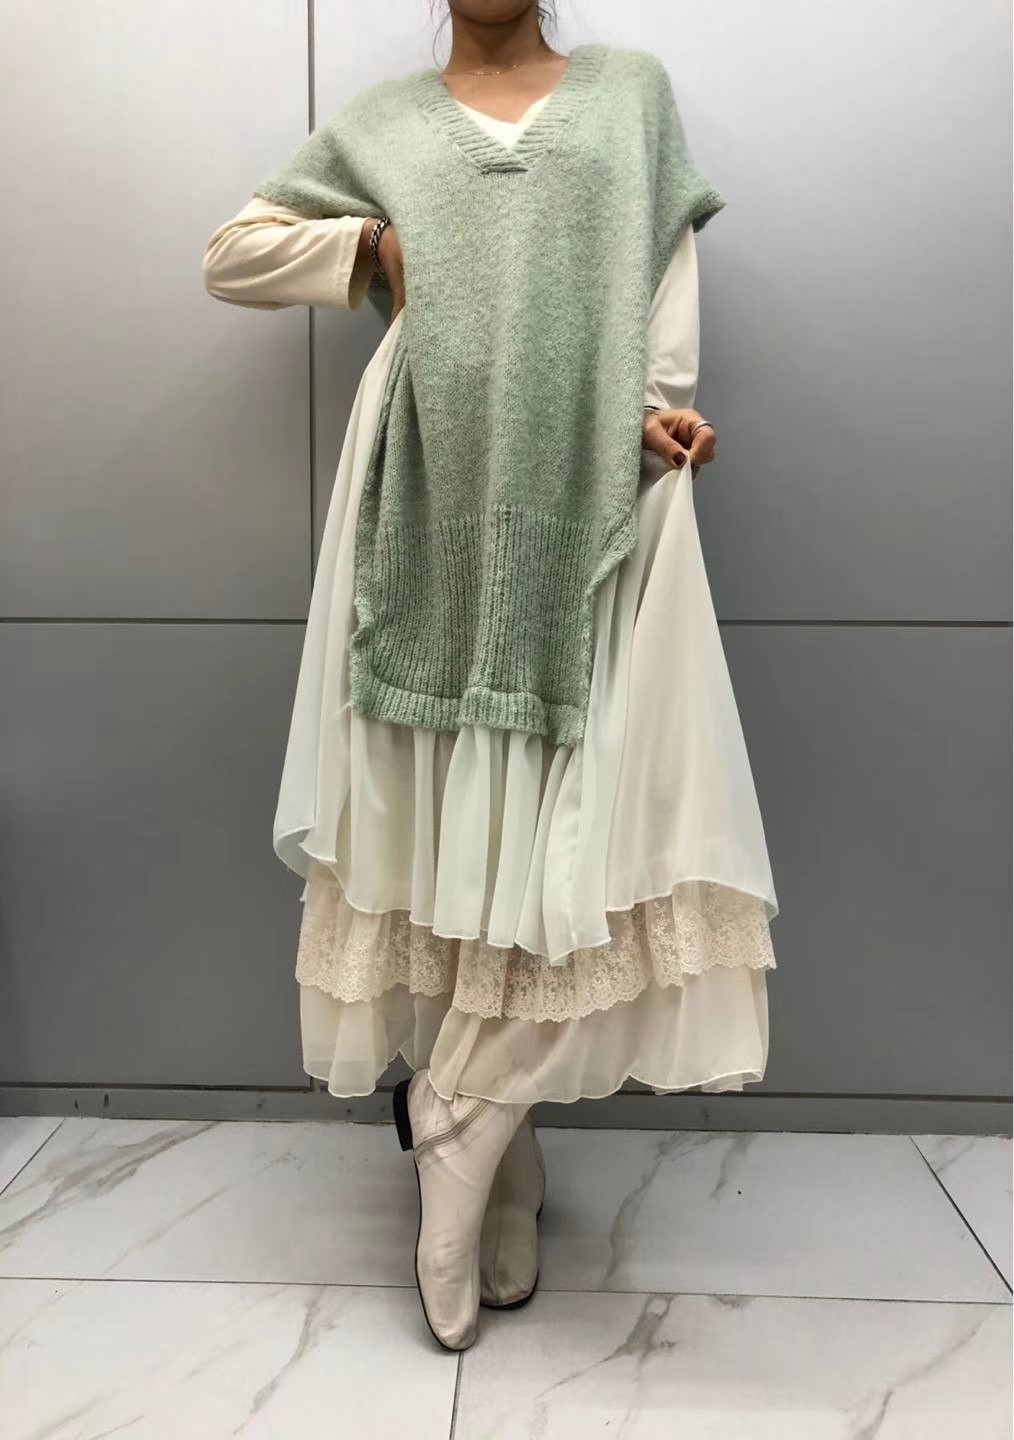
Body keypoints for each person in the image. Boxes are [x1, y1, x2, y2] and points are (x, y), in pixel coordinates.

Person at [203, 0, 778, 1354]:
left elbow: (661, 267)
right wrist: (370, 248)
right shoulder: (383, 126)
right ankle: (499, 1158)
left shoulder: (628, 94)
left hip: (594, 479)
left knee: (573, 820)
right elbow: (233, 255)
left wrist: (660, 405)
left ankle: (461, 1117)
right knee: (454, 812)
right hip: (429, 496)